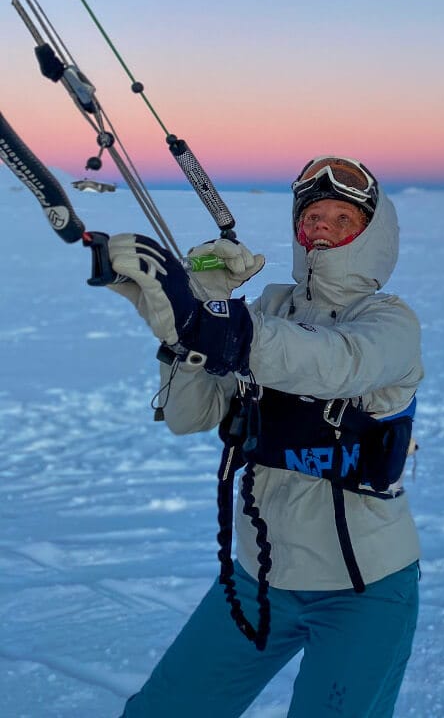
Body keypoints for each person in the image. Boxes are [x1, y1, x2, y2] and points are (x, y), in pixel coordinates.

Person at [105, 156, 423, 718]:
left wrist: (223, 325)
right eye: (313, 214)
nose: (322, 224)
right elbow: (192, 413)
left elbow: (334, 364)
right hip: (260, 575)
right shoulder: (270, 307)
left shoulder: (389, 322)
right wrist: (192, 322)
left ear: (373, 238)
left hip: (364, 590)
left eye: (342, 218)